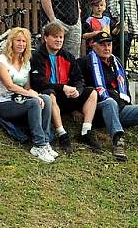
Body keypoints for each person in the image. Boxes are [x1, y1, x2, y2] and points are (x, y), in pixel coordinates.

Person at [79, 31, 138, 163]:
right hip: (98, 109)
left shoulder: (116, 62)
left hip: (120, 108)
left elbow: (124, 85)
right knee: (109, 102)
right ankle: (118, 142)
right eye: (102, 45)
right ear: (93, 45)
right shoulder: (85, 62)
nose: (107, 48)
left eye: (109, 45)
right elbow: (79, 86)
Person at [31, 22, 101, 156]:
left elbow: (79, 79)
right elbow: (39, 83)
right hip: (50, 98)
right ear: (46, 38)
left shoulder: (68, 56)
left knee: (92, 92)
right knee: (49, 94)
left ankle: (86, 131)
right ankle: (62, 134)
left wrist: (78, 91)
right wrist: (62, 87)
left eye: (61, 37)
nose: (58, 40)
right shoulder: (37, 56)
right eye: (55, 37)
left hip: (67, 97)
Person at [0, 27, 56, 163]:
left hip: (19, 99)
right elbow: (9, 86)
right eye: (18, 40)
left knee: (46, 99)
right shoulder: (1, 60)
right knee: (34, 102)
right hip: (3, 102)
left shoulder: (26, 62)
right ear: (11, 42)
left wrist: (35, 94)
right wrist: (32, 96)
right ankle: (38, 145)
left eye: (24, 41)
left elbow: (27, 87)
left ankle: (46, 141)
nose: (21, 44)